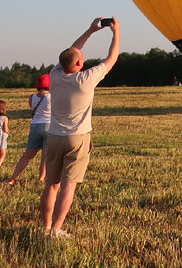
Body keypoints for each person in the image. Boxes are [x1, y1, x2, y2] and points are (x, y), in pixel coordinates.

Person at [41, 17, 120, 237]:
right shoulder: (86, 79)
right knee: (69, 186)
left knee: (51, 185)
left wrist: (90, 30)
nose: (83, 59)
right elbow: (111, 58)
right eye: (81, 59)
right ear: (77, 65)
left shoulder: (54, 75)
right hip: (77, 138)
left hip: (54, 136)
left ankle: (45, 227)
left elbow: (72, 51)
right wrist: (116, 32)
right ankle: (56, 230)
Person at [6, 74, 52, 185]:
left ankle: (13, 177)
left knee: (27, 155)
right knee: (45, 156)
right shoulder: (52, 97)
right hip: (49, 126)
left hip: (35, 126)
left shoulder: (32, 97)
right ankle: (41, 178)